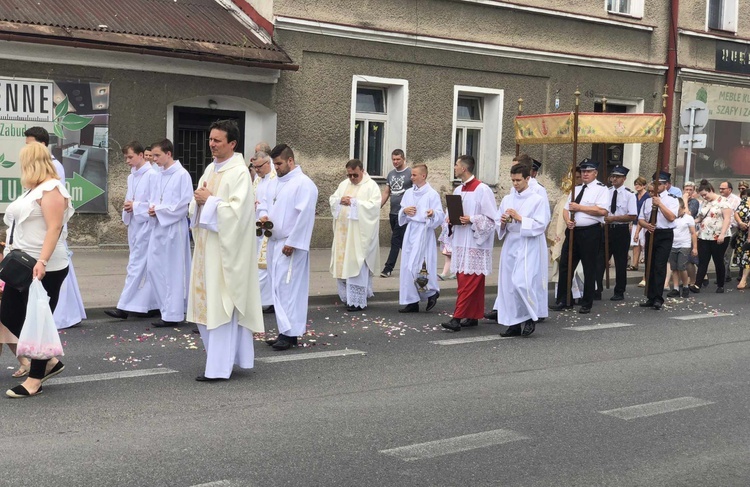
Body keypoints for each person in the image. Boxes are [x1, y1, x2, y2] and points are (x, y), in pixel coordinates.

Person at [187, 119, 263, 381]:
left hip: (227, 253)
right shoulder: (210, 168)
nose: (212, 144)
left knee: (222, 306)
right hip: (207, 250)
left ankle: (219, 369)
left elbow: (239, 214)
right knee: (206, 308)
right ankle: (223, 361)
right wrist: (198, 203)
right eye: (210, 139)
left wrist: (209, 202)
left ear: (232, 143)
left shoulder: (240, 172)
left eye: (217, 140)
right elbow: (197, 202)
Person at [2, 142, 73, 398]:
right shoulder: (32, 189)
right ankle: (50, 360)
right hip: (21, 265)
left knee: (38, 321)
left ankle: (35, 379)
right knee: (9, 315)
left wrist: (42, 261)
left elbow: (54, 228)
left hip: (45, 267)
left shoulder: (52, 189)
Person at [23, 126, 86, 329]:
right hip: (41, 234)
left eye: (30, 144)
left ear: (41, 145)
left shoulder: (52, 169)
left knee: (56, 275)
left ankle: (62, 317)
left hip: (48, 232)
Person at [257, 144, 318, 351]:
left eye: (279, 163)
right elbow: (264, 203)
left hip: (290, 244)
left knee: (289, 288)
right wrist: (263, 216)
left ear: (290, 161)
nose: (277, 167)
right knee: (278, 288)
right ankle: (285, 332)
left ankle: (289, 334)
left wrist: (293, 242)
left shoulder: (304, 184)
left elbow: (305, 215)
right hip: (275, 242)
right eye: (274, 164)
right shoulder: (275, 182)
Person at [105, 142, 160, 320]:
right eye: (125, 158)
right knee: (141, 265)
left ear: (141, 155)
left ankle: (123, 306)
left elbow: (154, 203)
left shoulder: (152, 175)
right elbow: (131, 197)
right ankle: (151, 304)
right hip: (135, 225)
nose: (127, 161)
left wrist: (135, 206)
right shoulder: (132, 176)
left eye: (130, 157)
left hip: (146, 225)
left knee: (136, 265)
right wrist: (129, 207)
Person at [441, 155, 497, 331]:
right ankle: (472, 316)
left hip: (475, 244)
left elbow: (491, 219)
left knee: (468, 283)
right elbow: (451, 214)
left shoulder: (483, 189)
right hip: (460, 242)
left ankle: (456, 319)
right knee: (468, 282)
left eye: (456, 165)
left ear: (464, 168)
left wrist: (471, 219)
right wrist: (449, 219)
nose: (454, 168)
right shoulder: (458, 190)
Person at [495, 163, 550, 337]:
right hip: (511, 242)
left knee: (522, 282)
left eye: (518, 180)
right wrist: (503, 221)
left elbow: (541, 224)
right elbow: (498, 222)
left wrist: (520, 218)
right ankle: (513, 323)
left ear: (528, 178)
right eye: (512, 180)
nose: (515, 184)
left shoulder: (537, 199)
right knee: (508, 285)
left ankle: (529, 317)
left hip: (527, 244)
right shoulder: (507, 199)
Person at [550, 159, 609, 314]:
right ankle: (564, 299)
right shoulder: (575, 189)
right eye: (583, 171)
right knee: (565, 265)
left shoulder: (601, 189)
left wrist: (580, 208)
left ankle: (586, 302)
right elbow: (565, 208)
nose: (585, 174)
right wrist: (568, 220)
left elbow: (602, 211)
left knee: (589, 267)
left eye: (588, 171)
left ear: (595, 173)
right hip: (573, 231)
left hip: (590, 232)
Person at [148, 139, 193, 327]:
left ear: (169, 153)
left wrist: (158, 210)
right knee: (154, 267)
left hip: (174, 228)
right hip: (159, 226)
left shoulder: (182, 175)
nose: (154, 159)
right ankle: (165, 307)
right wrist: (152, 209)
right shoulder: (158, 175)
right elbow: (153, 198)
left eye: (157, 155)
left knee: (173, 270)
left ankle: (173, 313)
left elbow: (184, 205)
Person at [329, 159, 381, 311]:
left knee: (356, 263)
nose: (351, 178)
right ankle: (347, 297)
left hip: (359, 236)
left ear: (362, 171)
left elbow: (374, 207)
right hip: (343, 234)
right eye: (349, 175)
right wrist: (340, 200)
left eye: (355, 175)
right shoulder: (344, 184)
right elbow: (333, 199)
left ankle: (357, 300)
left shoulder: (371, 186)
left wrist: (355, 203)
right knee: (343, 264)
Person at [396, 164, 444, 313]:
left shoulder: (432, 194)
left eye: (414, 175)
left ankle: (432, 291)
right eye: (411, 175)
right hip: (411, 230)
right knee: (406, 267)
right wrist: (404, 211)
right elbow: (402, 212)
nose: (411, 177)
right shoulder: (409, 192)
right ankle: (412, 301)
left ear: (423, 176)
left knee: (418, 267)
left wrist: (432, 214)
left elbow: (440, 214)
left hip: (424, 231)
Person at [638, 172, 680, 309]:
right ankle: (650, 296)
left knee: (659, 265)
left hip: (664, 234)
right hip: (651, 233)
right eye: (654, 183)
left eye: (659, 184)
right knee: (649, 265)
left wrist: (660, 204)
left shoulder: (672, 199)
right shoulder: (647, 201)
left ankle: (658, 297)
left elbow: (671, 217)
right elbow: (641, 219)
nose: (656, 186)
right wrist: (646, 225)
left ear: (666, 185)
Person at [596, 165, 637, 301]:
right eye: (613, 176)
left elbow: (632, 216)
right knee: (600, 260)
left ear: (624, 179)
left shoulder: (629, 195)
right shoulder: (606, 192)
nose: (614, 179)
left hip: (620, 230)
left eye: (617, 176)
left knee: (620, 262)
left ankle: (619, 290)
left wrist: (614, 218)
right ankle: (597, 289)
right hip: (606, 230)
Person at [548, 168, 585, 306]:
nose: (576, 180)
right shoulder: (564, 197)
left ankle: (580, 294)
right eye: (573, 177)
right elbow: (558, 217)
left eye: (578, 177)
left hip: (581, 234)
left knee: (580, 268)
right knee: (563, 265)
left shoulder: (585, 194)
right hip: (564, 235)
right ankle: (564, 296)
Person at [690, 179, 732, 294]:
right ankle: (697, 285)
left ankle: (720, 284)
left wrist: (722, 234)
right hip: (704, 235)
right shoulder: (705, 203)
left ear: (710, 190)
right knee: (703, 260)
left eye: (705, 194)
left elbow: (727, 219)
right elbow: (700, 217)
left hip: (718, 235)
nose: (704, 197)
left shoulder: (723, 202)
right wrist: (691, 222)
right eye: (702, 195)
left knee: (718, 260)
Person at [250, 149, 276, 314]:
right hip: (257, 225)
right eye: (255, 168)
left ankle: (260, 301)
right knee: (260, 265)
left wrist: (265, 215)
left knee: (264, 265)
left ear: (268, 163)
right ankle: (268, 301)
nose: (257, 171)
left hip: (269, 226)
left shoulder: (275, 179)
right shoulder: (258, 180)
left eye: (259, 167)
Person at [380, 149, 412, 277]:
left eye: (398, 159)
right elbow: (387, 192)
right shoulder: (391, 174)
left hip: (404, 214)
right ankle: (413, 264)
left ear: (403, 159)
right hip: (393, 213)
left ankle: (388, 268)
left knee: (395, 240)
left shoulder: (410, 173)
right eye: (393, 159)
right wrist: (378, 206)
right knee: (403, 242)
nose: (395, 162)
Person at [666, 198, 698, 298]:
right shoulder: (671, 217)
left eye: (678, 209)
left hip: (684, 245)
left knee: (681, 266)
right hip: (673, 244)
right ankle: (675, 288)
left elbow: (693, 233)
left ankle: (685, 286)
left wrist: (695, 248)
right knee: (674, 267)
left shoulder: (688, 218)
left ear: (683, 208)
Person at [719, 181, 741, 282]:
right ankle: (725, 274)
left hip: (732, 228)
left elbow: (737, 214)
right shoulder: (719, 200)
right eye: (720, 188)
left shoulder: (736, 200)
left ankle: (724, 275)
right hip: (720, 228)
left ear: (730, 190)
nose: (720, 190)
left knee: (726, 252)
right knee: (721, 252)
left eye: (723, 189)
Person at [629, 176, 650, 275]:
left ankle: (647, 264)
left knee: (644, 243)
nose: (636, 186)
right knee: (635, 243)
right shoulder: (634, 196)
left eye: (639, 184)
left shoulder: (648, 196)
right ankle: (634, 264)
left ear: (644, 185)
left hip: (645, 223)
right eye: (635, 184)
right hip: (635, 221)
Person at [734, 189, 750, 289]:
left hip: (745, 233)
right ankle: (743, 279)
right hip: (744, 233)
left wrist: (740, 222)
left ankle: (743, 280)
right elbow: (736, 213)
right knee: (746, 255)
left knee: (746, 255)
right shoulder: (745, 201)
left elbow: (736, 213)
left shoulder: (744, 201)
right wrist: (740, 223)